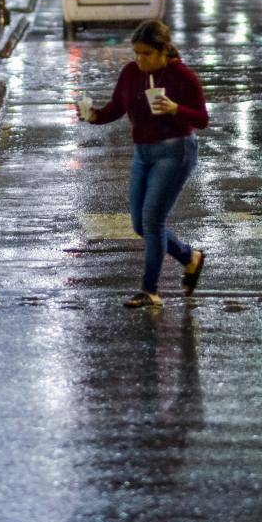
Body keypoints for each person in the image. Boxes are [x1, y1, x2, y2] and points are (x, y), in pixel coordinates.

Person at [76, 19, 210, 308]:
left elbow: (202, 118)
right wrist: (94, 116)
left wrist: (176, 109)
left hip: (175, 152)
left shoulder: (182, 77)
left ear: (164, 51)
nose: (140, 59)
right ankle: (189, 258)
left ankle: (150, 291)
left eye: (147, 53)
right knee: (140, 223)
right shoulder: (130, 74)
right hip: (143, 153)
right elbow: (116, 107)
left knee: (153, 220)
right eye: (136, 53)